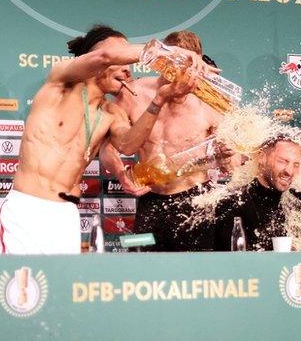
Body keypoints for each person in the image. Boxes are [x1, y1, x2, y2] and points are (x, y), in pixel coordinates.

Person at [0, 25, 208, 254]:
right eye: (121, 59)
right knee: (15, 287)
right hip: (29, 208)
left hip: (67, 215)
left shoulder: (110, 112)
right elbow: (105, 56)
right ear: (96, 61)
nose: (128, 71)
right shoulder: (61, 82)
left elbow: (128, 145)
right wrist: (169, 54)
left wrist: (158, 100)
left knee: (61, 289)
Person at [100, 30, 234, 252]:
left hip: (196, 201)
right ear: (162, 62)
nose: (182, 74)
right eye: (176, 65)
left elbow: (232, 162)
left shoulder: (213, 101)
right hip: (149, 203)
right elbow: (107, 148)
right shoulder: (133, 93)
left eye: (190, 68)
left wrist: (226, 156)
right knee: (143, 272)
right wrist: (121, 174)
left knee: (198, 279)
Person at [214, 136, 301, 251]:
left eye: (296, 165)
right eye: (283, 161)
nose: (289, 171)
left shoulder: (297, 203)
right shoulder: (234, 203)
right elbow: (236, 263)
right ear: (262, 157)